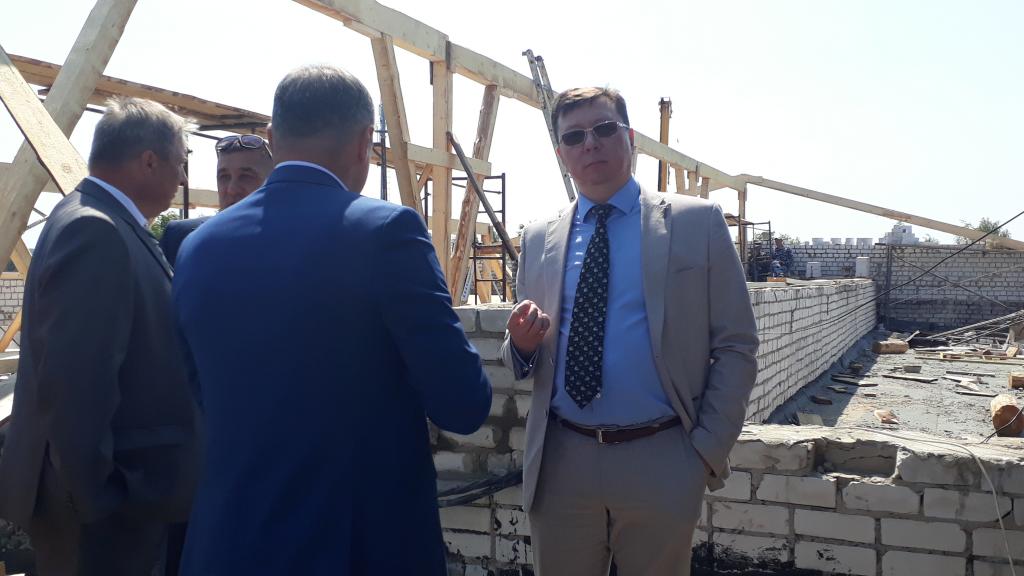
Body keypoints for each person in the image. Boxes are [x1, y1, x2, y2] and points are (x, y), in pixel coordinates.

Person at [172, 64, 492, 575]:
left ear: (272, 138)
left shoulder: (197, 246)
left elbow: (198, 392)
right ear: (366, 141)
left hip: (228, 542)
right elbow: (462, 403)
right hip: (356, 547)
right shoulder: (387, 232)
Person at [501, 87, 758, 576]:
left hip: (662, 455)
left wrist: (705, 451)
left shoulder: (695, 223)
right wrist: (522, 344)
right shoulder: (538, 238)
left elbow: (736, 345)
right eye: (574, 136)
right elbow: (522, 355)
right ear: (561, 153)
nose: (590, 143)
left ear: (630, 137)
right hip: (562, 459)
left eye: (603, 129)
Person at [0, 97, 201, 575]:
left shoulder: (94, 218)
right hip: (101, 515)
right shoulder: (97, 230)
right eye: (179, 163)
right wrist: (98, 498)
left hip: (101, 503)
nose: (182, 180)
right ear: (148, 161)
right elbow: (75, 383)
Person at [159, 134, 273, 265]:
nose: (231, 189)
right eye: (224, 177)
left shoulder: (287, 242)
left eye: (246, 176)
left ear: (272, 180)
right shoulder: (180, 238)